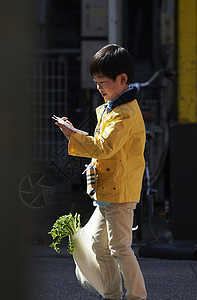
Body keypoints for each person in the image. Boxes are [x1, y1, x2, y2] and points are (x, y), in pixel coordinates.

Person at [55, 44, 147, 300]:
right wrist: (75, 135)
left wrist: (72, 136)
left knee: (119, 248)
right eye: (96, 82)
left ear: (123, 79)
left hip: (118, 191)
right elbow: (105, 146)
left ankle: (135, 297)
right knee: (100, 246)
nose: (99, 87)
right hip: (110, 189)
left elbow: (105, 147)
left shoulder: (123, 114)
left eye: (102, 82)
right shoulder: (116, 107)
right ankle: (112, 295)